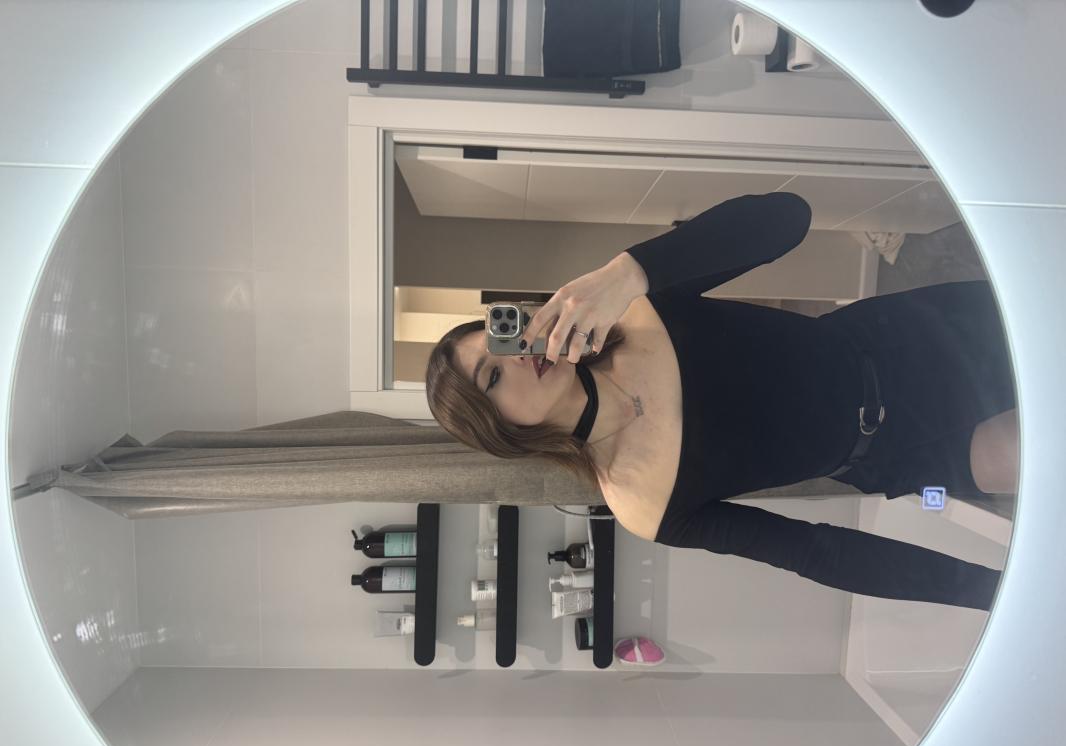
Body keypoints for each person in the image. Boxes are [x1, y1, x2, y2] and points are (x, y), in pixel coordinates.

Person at [425, 193, 1017, 611]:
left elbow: (788, 218)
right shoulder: (642, 503)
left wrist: (628, 273)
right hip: (908, 452)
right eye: (493, 379)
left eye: (502, 343)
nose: (517, 358)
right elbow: (819, 553)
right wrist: (985, 591)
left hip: (908, 337)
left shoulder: (639, 311)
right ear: (502, 430)